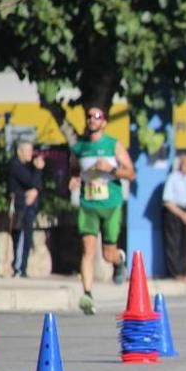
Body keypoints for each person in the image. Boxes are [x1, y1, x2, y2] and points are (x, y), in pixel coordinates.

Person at [68, 107, 135, 315]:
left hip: (110, 204)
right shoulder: (79, 147)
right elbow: (74, 168)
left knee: (107, 254)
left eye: (96, 116)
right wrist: (74, 178)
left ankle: (119, 260)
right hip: (88, 204)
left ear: (104, 122)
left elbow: (131, 173)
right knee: (87, 250)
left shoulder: (113, 145)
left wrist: (111, 169)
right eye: (89, 116)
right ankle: (87, 295)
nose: (91, 119)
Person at [8, 139, 45, 277]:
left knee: (27, 237)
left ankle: (23, 267)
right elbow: (30, 181)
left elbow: (38, 184)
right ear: (20, 152)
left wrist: (35, 190)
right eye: (28, 151)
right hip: (20, 207)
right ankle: (18, 267)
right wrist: (37, 170)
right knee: (21, 236)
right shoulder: (15, 165)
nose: (31, 154)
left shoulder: (29, 166)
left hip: (29, 207)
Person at [162, 153, 186, 280]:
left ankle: (185, 272)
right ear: (181, 165)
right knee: (174, 243)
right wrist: (182, 214)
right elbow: (167, 201)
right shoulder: (173, 178)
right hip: (175, 212)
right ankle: (175, 273)